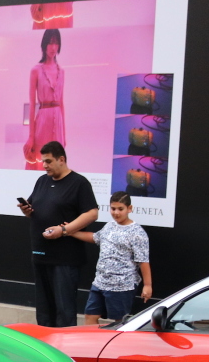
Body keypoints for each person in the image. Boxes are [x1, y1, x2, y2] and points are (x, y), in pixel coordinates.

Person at [17, 141, 99, 327]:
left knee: (64, 308)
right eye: (43, 161)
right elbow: (34, 206)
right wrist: (27, 210)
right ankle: (45, 347)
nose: (44, 165)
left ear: (61, 159)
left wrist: (64, 230)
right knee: (44, 308)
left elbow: (92, 213)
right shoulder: (42, 180)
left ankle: (64, 349)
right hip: (40, 253)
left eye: (48, 161)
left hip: (65, 258)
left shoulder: (79, 183)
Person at [69, 191, 152, 324]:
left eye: (120, 209)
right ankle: (94, 344)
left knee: (119, 321)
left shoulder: (137, 233)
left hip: (122, 285)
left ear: (129, 209)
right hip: (100, 282)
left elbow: (143, 261)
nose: (116, 213)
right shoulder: (109, 226)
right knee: (90, 316)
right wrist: (70, 231)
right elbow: (95, 237)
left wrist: (148, 285)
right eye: (113, 209)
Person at [23, 28, 66, 166]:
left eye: (56, 42)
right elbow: (32, 104)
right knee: (40, 160)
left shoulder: (62, 71)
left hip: (57, 121)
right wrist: (30, 136)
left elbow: (61, 102)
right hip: (42, 121)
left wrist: (64, 134)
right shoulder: (36, 70)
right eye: (50, 42)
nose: (53, 47)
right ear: (44, 45)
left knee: (56, 164)